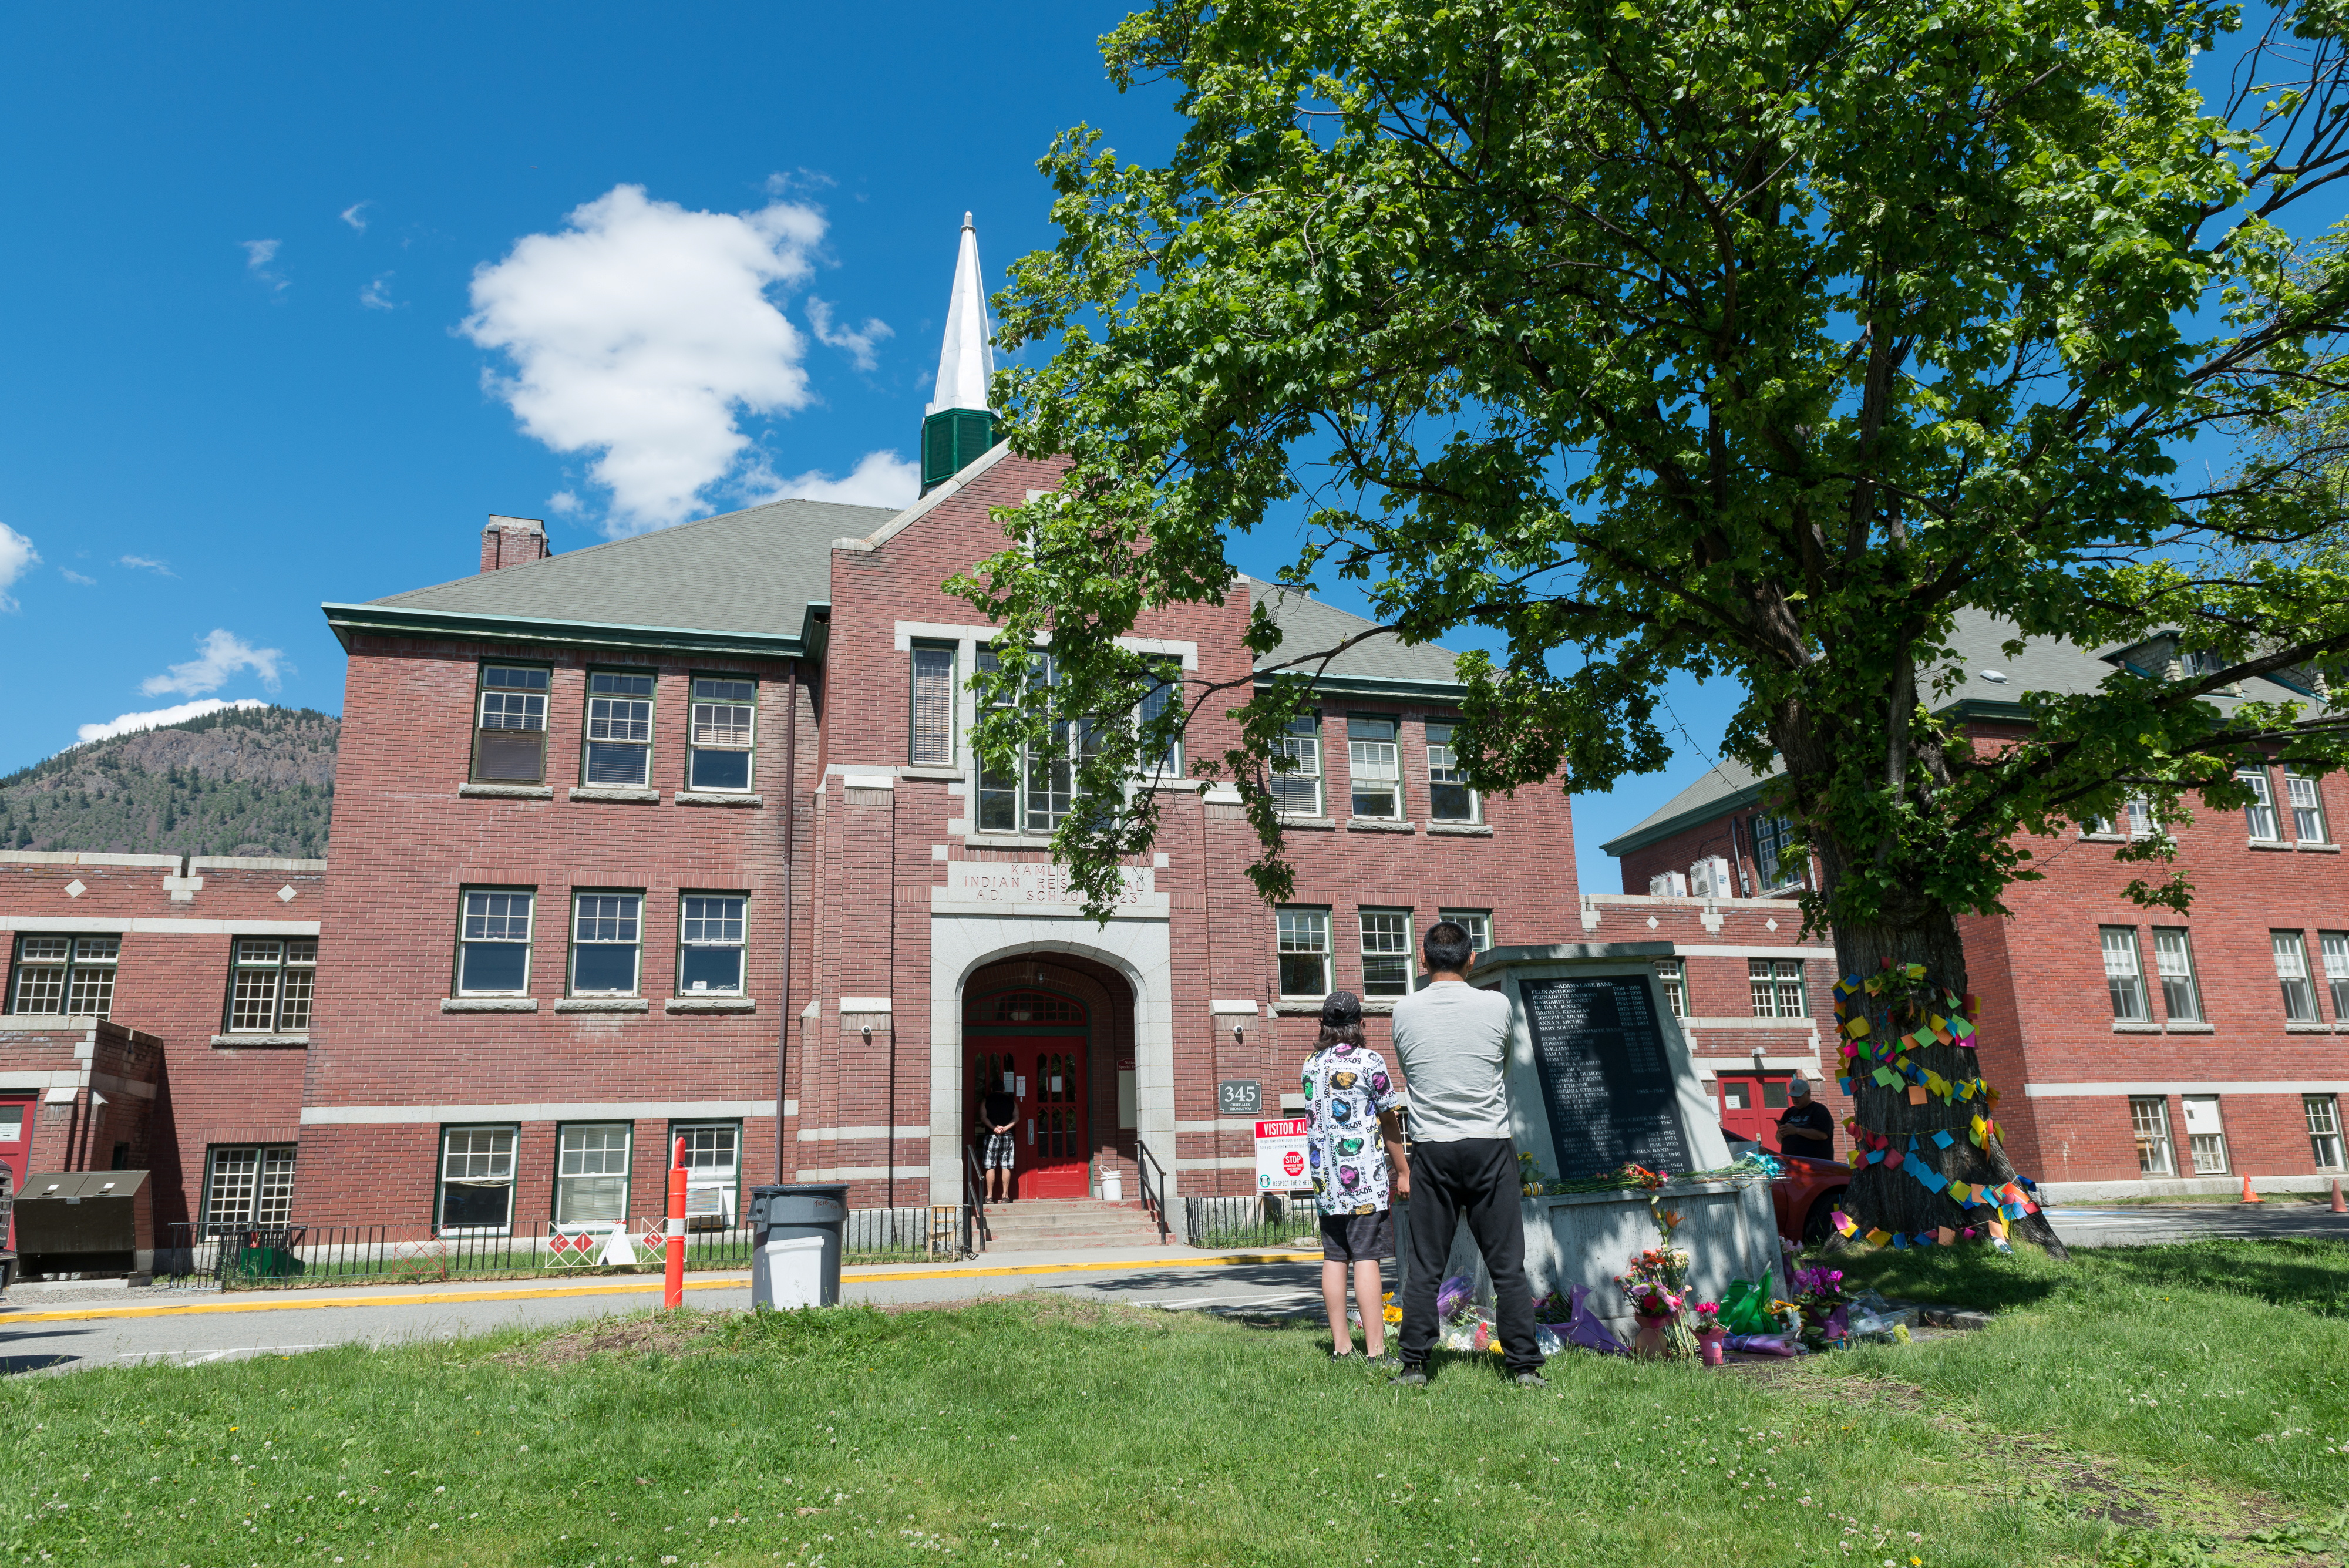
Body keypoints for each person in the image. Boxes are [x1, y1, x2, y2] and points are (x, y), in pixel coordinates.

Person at [1388, 920, 1546, 1387]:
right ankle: (1524, 1367)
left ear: (1423, 961)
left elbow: (1411, 1072)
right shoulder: (1497, 1005)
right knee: (1506, 1266)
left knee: (1425, 1266)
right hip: (1488, 1143)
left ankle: (1414, 1364)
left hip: (1433, 1147)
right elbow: (1504, 1061)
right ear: (1472, 959)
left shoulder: (1403, 1010)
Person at [1300, 990, 1409, 1361]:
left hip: (1325, 1180)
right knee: (1366, 1258)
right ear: (1361, 1024)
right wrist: (1404, 1170)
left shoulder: (1310, 1065)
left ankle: (1341, 1347)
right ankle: (1377, 1351)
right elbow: (1390, 1121)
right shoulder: (1370, 1062)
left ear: (1322, 1026)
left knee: (1334, 1258)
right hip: (1363, 1179)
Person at [1775, 1077, 1836, 1161]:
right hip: (1791, 1164)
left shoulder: (1819, 1110)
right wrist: (1781, 1134)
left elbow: (1822, 1135)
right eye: (1792, 1096)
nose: (1794, 1099)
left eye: (1798, 1096)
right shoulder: (1789, 1112)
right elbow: (1779, 1139)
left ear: (1808, 1093)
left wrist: (1796, 1130)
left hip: (1815, 1164)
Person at [978, 1082, 1018, 1203]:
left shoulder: (986, 1100)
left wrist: (994, 1128)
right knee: (1006, 1165)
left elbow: (983, 1117)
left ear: (991, 1089)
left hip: (992, 1135)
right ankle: (1005, 1196)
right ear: (1004, 1089)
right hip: (1007, 1136)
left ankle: (990, 1196)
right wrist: (1006, 1128)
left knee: (991, 1165)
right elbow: (1017, 1117)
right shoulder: (1011, 1101)